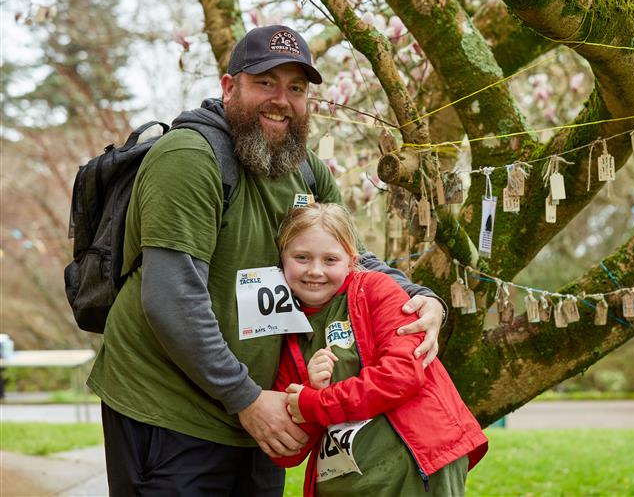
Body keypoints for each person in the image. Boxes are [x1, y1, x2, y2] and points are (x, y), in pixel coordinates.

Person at [87, 25, 446, 495]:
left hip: (263, 415)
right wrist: (246, 398)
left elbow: (349, 260)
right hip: (170, 410)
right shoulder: (190, 157)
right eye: (265, 82)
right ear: (229, 86)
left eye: (295, 87)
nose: (282, 99)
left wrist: (421, 297)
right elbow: (172, 297)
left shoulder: (305, 169)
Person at [272, 203, 488, 496]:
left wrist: (317, 403)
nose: (315, 271)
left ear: (352, 260)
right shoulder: (285, 328)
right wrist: (311, 389)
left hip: (415, 466)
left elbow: (402, 374)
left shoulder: (375, 289)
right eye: (301, 257)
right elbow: (285, 452)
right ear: (282, 259)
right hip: (349, 484)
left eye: (330, 259)